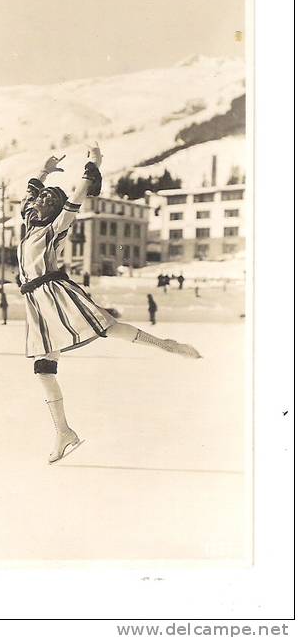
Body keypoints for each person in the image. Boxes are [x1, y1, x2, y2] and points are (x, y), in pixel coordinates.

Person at [17, 146, 202, 464]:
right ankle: (63, 432)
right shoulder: (30, 223)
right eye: (40, 202)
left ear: (54, 209)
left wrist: (93, 164)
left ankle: (166, 345)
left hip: (55, 293)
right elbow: (29, 195)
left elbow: (78, 195)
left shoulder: (55, 228)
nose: (40, 205)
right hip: (35, 302)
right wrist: (43, 170)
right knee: (43, 370)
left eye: (47, 203)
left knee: (108, 329)